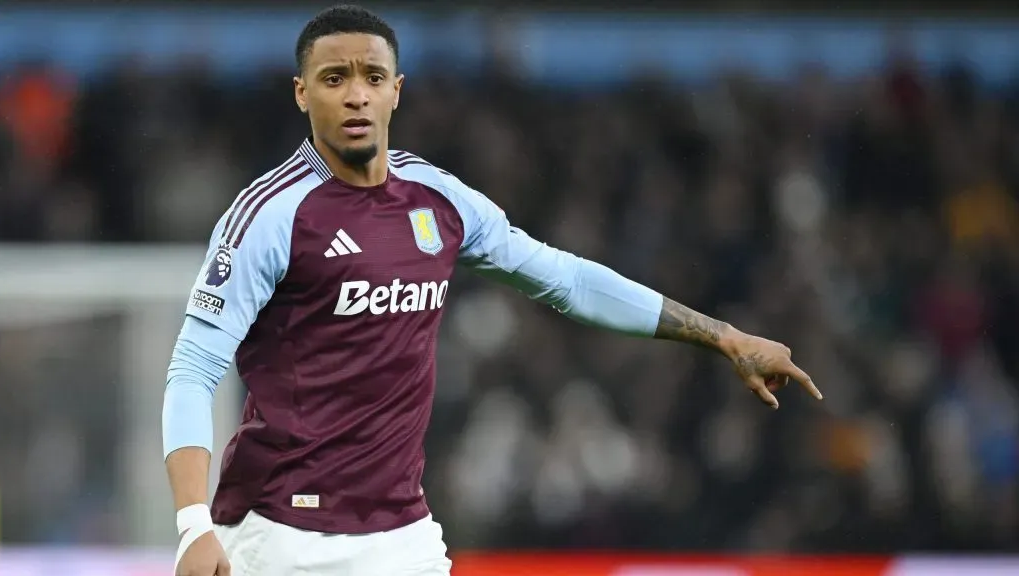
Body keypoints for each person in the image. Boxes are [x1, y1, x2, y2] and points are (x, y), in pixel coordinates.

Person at [163, 5, 823, 575]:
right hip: (282, 536)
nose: (356, 95)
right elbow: (194, 368)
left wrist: (723, 335)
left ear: (397, 90)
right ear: (303, 94)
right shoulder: (270, 215)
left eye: (371, 77)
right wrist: (194, 524)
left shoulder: (439, 199)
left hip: (402, 536)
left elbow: (563, 279)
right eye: (335, 79)